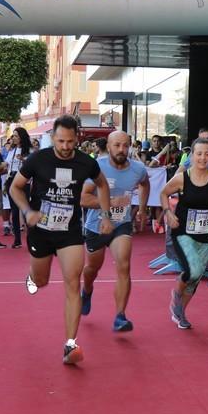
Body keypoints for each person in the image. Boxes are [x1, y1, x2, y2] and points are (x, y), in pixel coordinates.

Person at [10, 114, 113, 365]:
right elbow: (15, 187)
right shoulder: (38, 159)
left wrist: (106, 214)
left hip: (70, 232)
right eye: (60, 141)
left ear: (77, 138)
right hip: (41, 231)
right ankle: (33, 276)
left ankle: (70, 345)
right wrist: (28, 212)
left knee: (72, 284)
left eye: (70, 141)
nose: (66, 146)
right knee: (41, 281)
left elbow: (102, 185)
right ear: (52, 138)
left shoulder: (86, 162)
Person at [79, 131, 150, 332]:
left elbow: (145, 183)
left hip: (122, 224)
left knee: (124, 266)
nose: (121, 150)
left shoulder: (137, 168)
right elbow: (83, 199)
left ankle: (120, 315)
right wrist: (109, 203)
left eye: (125, 146)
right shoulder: (97, 168)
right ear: (108, 147)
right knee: (92, 269)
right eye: (117, 145)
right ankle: (87, 290)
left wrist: (142, 209)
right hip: (97, 226)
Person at [161, 137, 208, 330]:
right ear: (191, 156)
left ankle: (180, 312)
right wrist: (167, 212)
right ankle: (176, 293)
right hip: (182, 231)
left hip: (205, 234)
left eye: (207, 154)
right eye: (199, 154)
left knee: (197, 275)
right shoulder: (182, 178)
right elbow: (163, 193)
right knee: (191, 269)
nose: (203, 158)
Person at [4, 126, 30, 249]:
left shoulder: (29, 150)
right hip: (11, 179)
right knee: (14, 211)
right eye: (13, 136)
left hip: (24, 181)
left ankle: (31, 239)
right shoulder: (12, 150)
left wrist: (24, 159)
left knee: (25, 210)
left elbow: (32, 166)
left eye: (15, 136)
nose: (13, 138)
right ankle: (17, 239)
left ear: (21, 137)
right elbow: (7, 165)